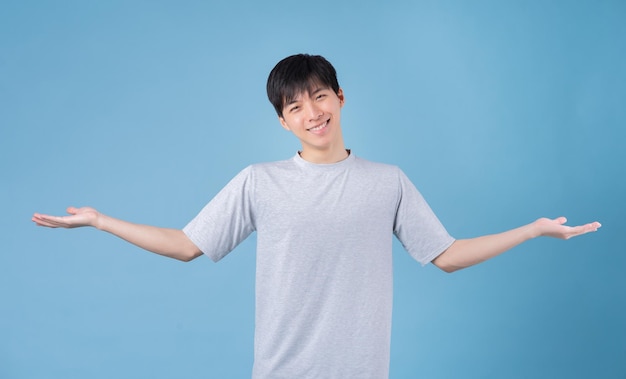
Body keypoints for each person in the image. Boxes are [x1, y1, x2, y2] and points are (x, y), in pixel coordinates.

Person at [32, 54, 601, 379]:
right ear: (283, 121)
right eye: (295, 106)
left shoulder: (388, 181)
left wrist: (531, 230)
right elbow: (187, 244)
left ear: (342, 99)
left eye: (320, 96)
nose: (312, 112)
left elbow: (445, 256)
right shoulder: (261, 181)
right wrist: (103, 221)